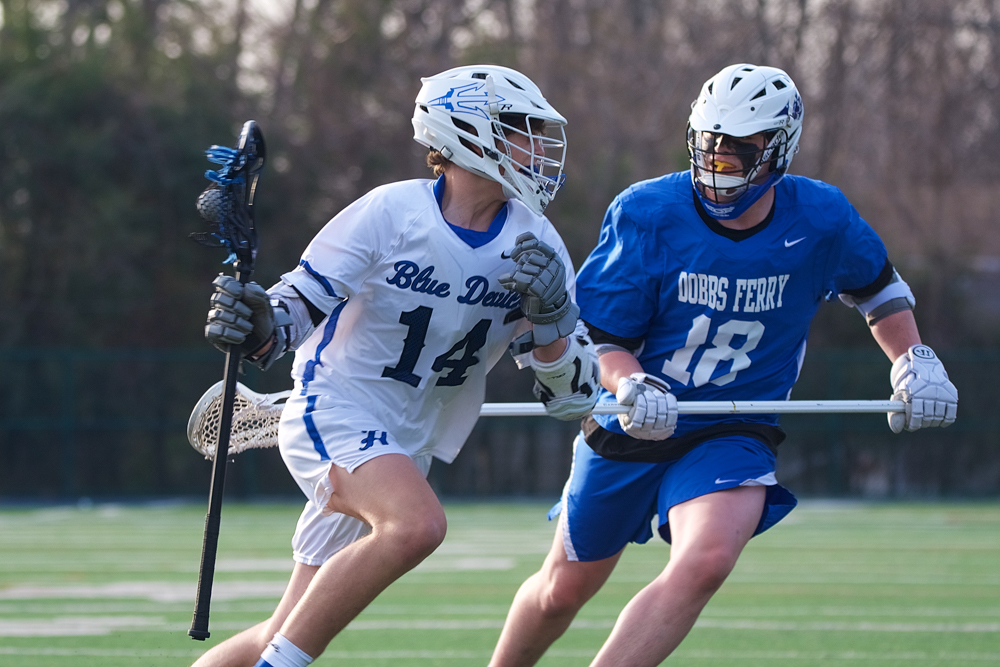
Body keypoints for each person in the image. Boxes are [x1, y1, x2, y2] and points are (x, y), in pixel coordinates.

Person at [488, 63, 959, 667]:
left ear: (779, 149)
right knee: (562, 591)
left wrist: (913, 358)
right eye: (709, 144)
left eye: (740, 151)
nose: (718, 162)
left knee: (705, 561)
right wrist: (630, 382)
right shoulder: (648, 212)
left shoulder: (821, 217)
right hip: (629, 423)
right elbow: (598, 339)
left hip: (733, 423)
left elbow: (877, 287)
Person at [191, 64, 600, 667]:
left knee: (280, 627)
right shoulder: (389, 213)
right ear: (464, 131)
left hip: (410, 445)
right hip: (332, 409)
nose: (534, 147)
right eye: (518, 129)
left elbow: (572, 396)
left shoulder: (536, 242)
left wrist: (553, 318)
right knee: (416, 527)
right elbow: (292, 313)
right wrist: (259, 323)